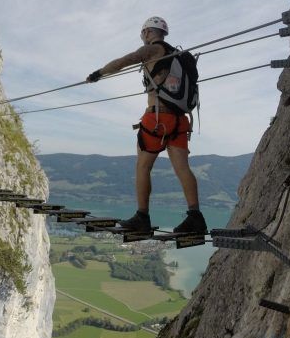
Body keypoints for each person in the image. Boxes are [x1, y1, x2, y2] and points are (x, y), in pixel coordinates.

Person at [85, 16, 207, 234]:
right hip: (180, 120)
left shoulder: (152, 50)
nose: (143, 36)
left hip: (158, 119)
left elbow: (123, 61)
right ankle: (196, 217)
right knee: (183, 169)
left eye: (143, 33)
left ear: (148, 32)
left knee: (143, 167)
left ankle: (142, 216)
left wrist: (98, 74)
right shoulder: (177, 55)